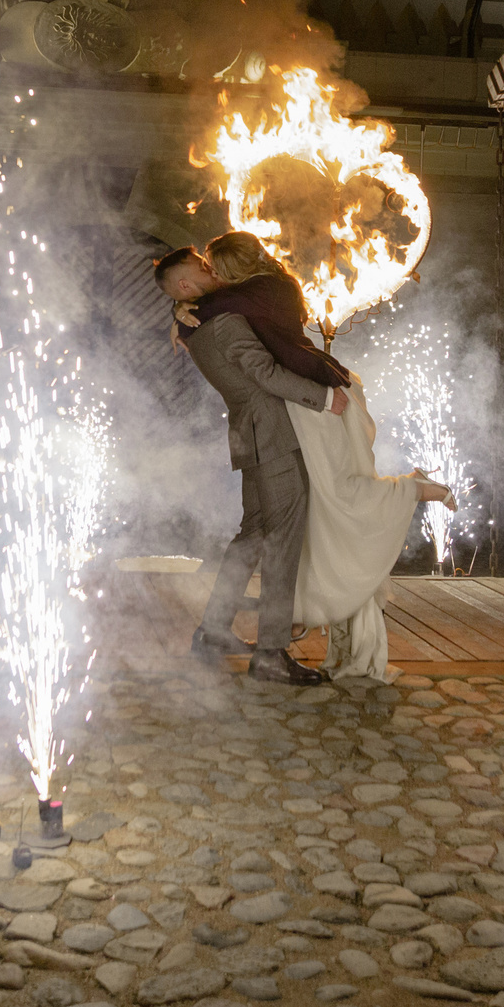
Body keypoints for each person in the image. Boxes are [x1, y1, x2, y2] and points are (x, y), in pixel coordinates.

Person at [159, 236, 447, 683]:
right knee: (282, 541)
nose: (209, 268)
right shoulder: (226, 321)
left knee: (252, 535)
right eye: (200, 266)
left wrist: (178, 316)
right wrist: (323, 396)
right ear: (182, 284)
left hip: (250, 436)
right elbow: (265, 372)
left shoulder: (196, 325)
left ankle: (214, 631)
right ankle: (271, 653)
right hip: (274, 436)